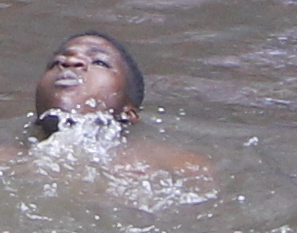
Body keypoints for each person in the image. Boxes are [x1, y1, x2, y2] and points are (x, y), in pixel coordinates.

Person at [28, 34, 216, 184]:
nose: (70, 62)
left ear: (129, 112)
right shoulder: (4, 159)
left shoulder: (177, 166)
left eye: (99, 62)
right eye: (56, 62)